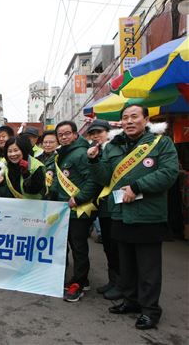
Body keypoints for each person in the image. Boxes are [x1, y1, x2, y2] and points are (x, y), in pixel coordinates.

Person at [88, 105, 178, 330]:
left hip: (148, 215)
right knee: (126, 264)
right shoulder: (113, 146)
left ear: (145, 119)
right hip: (120, 213)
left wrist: (138, 186)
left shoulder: (160, 143)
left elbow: (168, 173)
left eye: (134, 117)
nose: (129, 121)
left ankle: (150, 310)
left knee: (148, 267)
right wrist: (95, 161)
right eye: (125, 118)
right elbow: (104, 178)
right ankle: (131, 301)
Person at [50, 120, 99, 302]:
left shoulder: (80, 154)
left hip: (79, 210)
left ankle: (79, 283)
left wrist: (78, 199)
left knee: (78, 248)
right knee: (70, 245)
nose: (63, 137)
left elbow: (92, 180)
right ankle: (79, 279)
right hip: (65, 211)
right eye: (60, 135)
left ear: (75, 134)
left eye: (67, 133)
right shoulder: (64, 154)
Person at [85, 119, 121, 300]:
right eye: (92, 133)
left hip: (118, 205)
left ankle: (121, 284)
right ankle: (113, 281)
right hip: (103, 206)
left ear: (108, 132)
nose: (96, 136)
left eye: (99, 132)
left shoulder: (115, 148)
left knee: (117, 247)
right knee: (108, 246)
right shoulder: (93, 151)